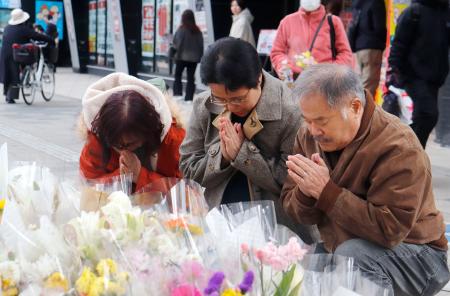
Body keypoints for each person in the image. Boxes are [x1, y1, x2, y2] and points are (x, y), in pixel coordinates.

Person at [281, 64, 449, 296]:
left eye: (321, 120)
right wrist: (306, 191)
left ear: (355, 107)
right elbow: (299, 212)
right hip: (345, 244)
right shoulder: (308, 135)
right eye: (307, 120)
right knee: (302, 266)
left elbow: (390, 230)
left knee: (351, 259)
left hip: (418, 255)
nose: (313, 130)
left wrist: (326, 191)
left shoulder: (398, 146)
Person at [179, 38, 318, 244]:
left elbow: (290, 183)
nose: (230, 106)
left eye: (238, 98)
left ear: (259, 80)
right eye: (221, 99)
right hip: (218, 220)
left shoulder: (291, 111)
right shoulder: (204, 105)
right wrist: (223, 158)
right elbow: (188, 168)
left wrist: (243, 155)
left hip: (278, 229)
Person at [79, 73, 186, 193]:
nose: (122, 150)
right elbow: (88, 185)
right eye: (116, 145)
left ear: (147, 132)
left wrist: (140, 175)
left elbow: (188, 194)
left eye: (130, 143)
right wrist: (120, 176)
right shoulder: (97, 138)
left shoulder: (174, 140)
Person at [388, 0, 449, 148]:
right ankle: (409, 152)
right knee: (428, 114)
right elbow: (398, 44)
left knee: (425, 117)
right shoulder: (414, 12)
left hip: (435, 78)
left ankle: (408, 153)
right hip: (413, 75)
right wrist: (395, 70)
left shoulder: (445, 13)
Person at [270, 0, 352, 81]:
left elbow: (345, 53)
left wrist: (331, 72)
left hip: (326, 82)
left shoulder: (334, 22)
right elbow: (277, 52)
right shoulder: (287, 22)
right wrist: (285, 66)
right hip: (296, 81)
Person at [0, 8, 54, 104]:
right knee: (16, 71)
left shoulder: (7, 28)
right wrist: (50, 39)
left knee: (9, 73)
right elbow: (37, 35)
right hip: (16, 53)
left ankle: (9, 95)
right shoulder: (23, 29)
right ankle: (13, 94)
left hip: (4, 53)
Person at [347, 0, 387, 97]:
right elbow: (379, 27)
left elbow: (352, 26)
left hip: (359, 48)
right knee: (369, 85)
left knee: (361, 83)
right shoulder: (376, 2)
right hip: (372, 47)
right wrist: (382, 44)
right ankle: (362, 110)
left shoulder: (357, 3)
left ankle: (358, 108)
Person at [172, 9, 204, 102]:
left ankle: (178, 94)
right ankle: (189, 98)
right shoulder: (197, 30)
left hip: (181, 57)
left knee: (178, 75)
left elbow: (176, 44)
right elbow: (201, 45)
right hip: (193, 59)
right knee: (191, 78)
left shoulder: (182, 29)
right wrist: (199, 56)